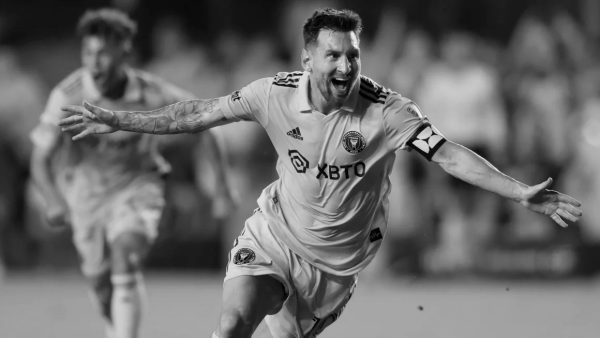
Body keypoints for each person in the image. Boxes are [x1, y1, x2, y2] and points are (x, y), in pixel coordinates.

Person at [60, 8, 583, 338]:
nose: (345, 67)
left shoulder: (390, 111)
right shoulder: (272, 94)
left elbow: (446, 154)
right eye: (332, 55)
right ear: (307, 57)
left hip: (334, 266)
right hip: (275, 233)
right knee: (234, 320)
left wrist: (518, 192)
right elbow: (195, 114)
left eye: (352, 55)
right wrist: (122, 119)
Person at [30, 8, 232, 338]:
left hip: (139, 186)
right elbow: (40, 158)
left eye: (103, 54)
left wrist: (222, 188)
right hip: (86, 195)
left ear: (125, 51)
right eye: (88, 53)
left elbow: (209, 122)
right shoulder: (67, 96)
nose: (94, 63)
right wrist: (52, 199)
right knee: (100, 284)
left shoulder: (152, 92)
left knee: (126, 252)